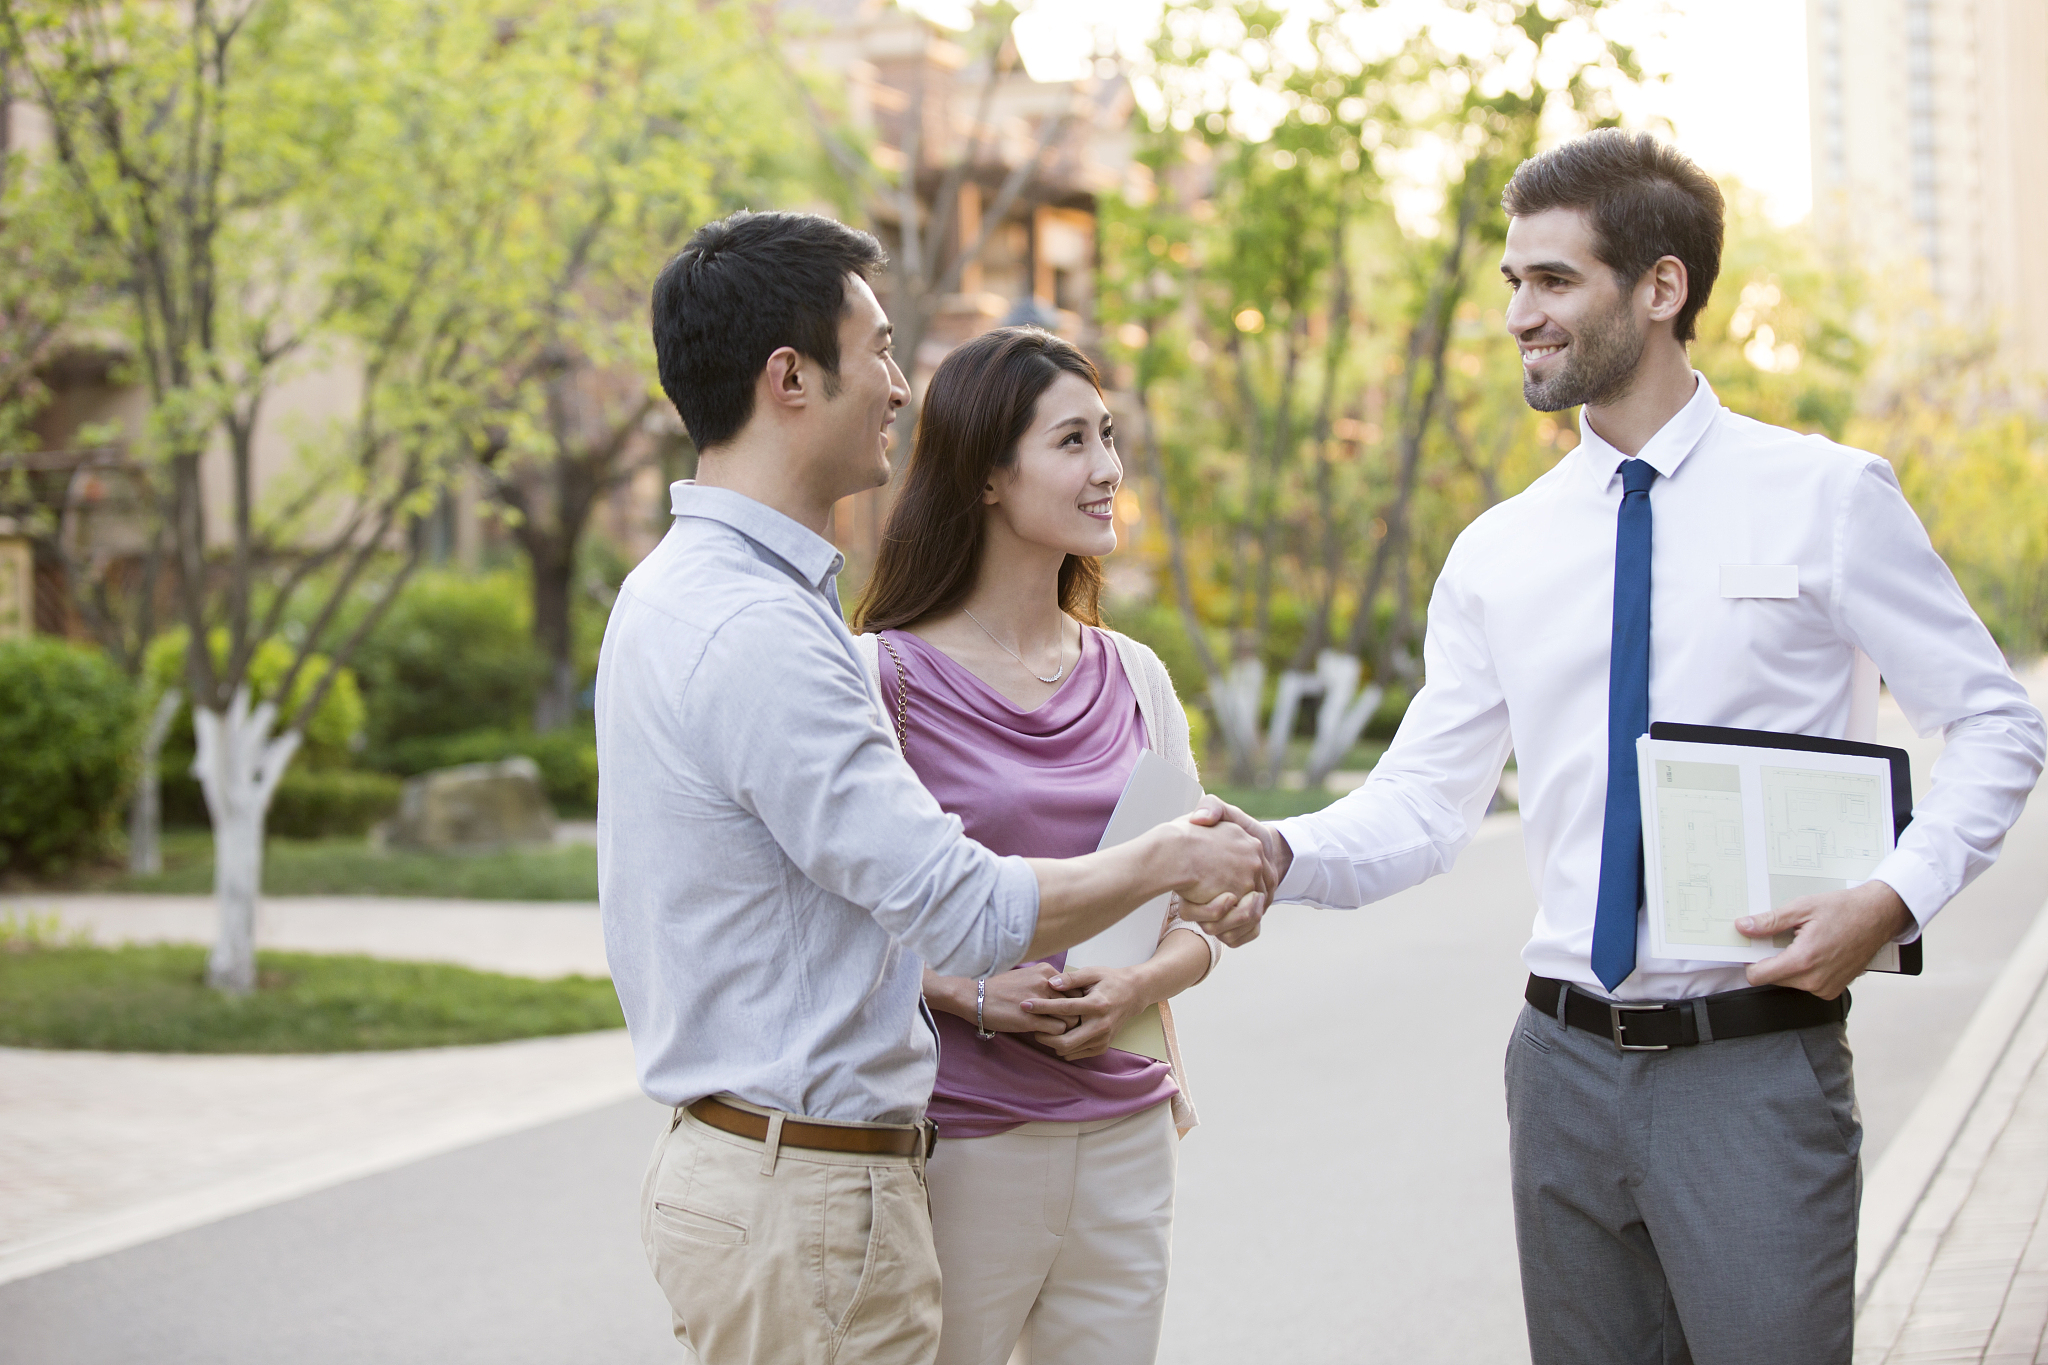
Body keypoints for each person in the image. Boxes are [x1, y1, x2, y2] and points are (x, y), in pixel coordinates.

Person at [1209, 130, 2045, 1364]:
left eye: (1551, 282)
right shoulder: (1496, 552)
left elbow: (1992, 721)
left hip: (1751, 1072)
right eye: (1510, 283)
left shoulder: (1824, 496)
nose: (1517, 315)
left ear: (1659, 289)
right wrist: (1276, 850)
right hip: (1557, 1071)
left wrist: (1890, 898)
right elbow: (1421, 808)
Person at [596, 211, 1267, 1365]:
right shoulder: (768, 628)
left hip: (791, 1165)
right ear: (790, 376)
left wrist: (1157, 956)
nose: (900, 388)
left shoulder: (689, 593)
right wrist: (1161, 864)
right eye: (883, 349)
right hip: (816, 1175)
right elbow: (954, 907)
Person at [848, 327, 1214, 1365]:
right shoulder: (884, 681)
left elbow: (1194, 909)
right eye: (1070, 442)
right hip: (959, 1139)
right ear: (987, 479)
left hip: (1127, 1133)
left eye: (1106, 437)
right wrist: (968, 994)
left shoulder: (1135, 676)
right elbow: (833, 919)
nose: (1106, 469)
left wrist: (1139, 980)